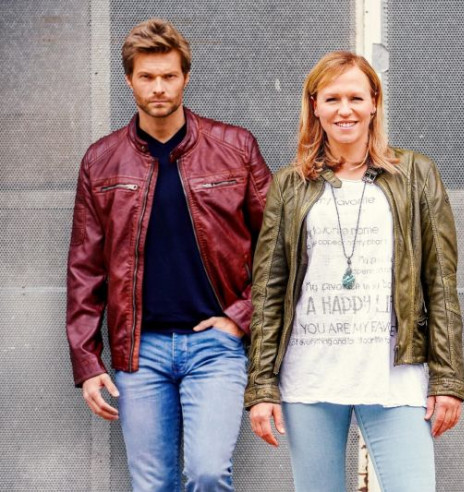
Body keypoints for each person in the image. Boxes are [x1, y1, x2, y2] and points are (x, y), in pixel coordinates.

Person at [66, 18, 271, 491]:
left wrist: (241, 316)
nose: (158, 87)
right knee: (152, 484)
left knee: (207, 472)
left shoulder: (235, 148)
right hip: (140, 350)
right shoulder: (101, 160)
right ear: (129, 80)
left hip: (215, 347)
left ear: (185, 77)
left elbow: (278, 248)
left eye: (168, 76)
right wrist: (88, 362)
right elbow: (84, 269)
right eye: (147, 76)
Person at [245, 50, 464, 491]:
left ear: (374, 103)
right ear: (315, 106)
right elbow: (268, 290)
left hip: (394, 372)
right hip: (310, 373)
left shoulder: (416, 174)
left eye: (355, 98)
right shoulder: (290, 184)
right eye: (332, 99)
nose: (344, 110)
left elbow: (440, 282)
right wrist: (262, 386)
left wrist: (447, 378)